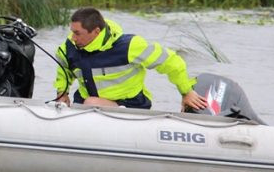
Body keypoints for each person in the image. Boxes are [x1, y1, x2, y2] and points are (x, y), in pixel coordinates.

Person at [54, 7, 207, 111]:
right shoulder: (69, 48)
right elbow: (63, 71)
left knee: (91, 103)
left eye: (77, 33)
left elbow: (172, 61)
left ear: (96, 31)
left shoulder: (130, 46)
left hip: (131, 105)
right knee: (87, 102)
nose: (72, 38)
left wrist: (186, 92)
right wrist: (62, 94)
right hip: (87, 105)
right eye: (72, 32)